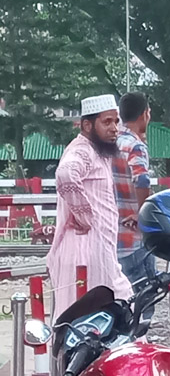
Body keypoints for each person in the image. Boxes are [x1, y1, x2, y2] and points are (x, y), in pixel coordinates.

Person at [46, 95, 135, 320]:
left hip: (96, 253)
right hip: (84, 254)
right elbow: (66, 175)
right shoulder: (82, 150)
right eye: (107, 122)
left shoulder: (97, 152)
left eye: (116, 121)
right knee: (89, 324)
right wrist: (84, 215)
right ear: (87, 125)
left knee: (116, 312)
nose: (114, 128)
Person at [112, 92, 155, 287]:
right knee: (143, 299)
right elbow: (142, 180)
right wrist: (142, 212)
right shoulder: (135, 146)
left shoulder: (109, 143)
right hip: (134, 239)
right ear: (144, 114)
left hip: (113, 236)